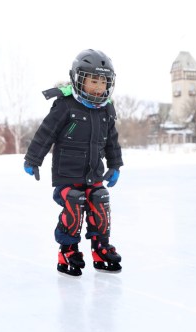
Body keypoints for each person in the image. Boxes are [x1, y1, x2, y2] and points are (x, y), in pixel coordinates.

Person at [23, 49, 124, 276]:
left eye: (103, 81)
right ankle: (67, 251)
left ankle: (100, 249)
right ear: (79, 79)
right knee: (74, 202)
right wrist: (33, 159)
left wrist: (115, 165)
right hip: (68, 174)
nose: (99, 87)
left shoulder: (106, 109)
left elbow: (112, 141)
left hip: (94, 173)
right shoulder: (66, 105)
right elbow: (45, 133)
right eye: (93, 81)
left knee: (100, 200)